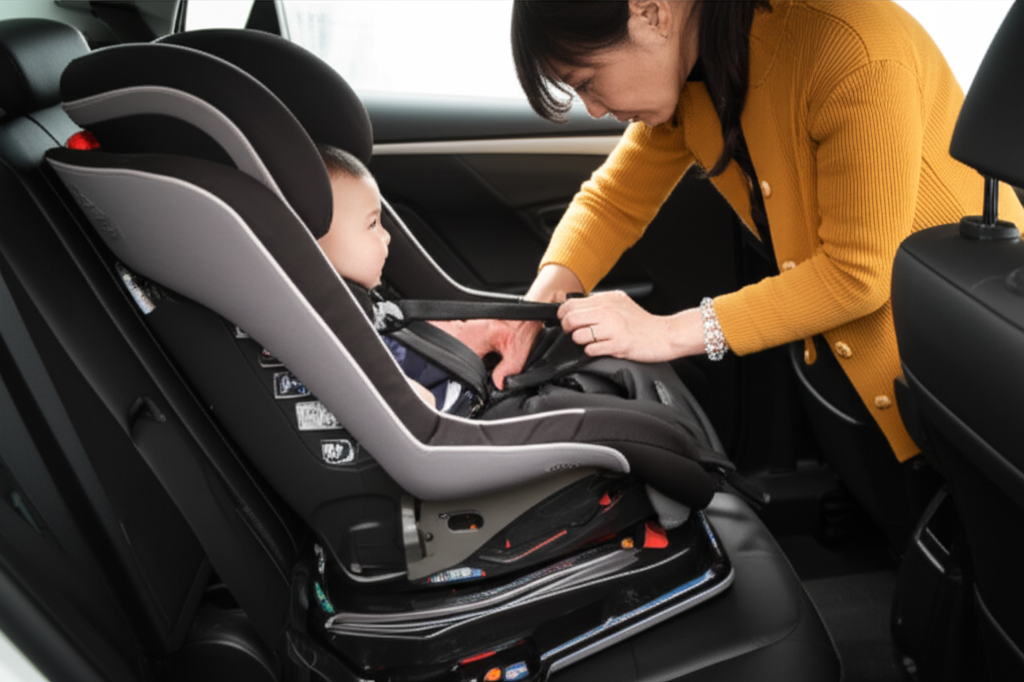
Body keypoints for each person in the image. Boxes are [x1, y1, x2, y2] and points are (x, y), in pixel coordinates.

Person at [456, 0, 1024, 467]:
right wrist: (527, 315)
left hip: (958, 366)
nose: (594, 109)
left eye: (588, 81)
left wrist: (668, 332)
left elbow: (859, 276)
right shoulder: (699, 69)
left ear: (651, 12)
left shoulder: (852, 50)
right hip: (860, 374)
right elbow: (613, 201)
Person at [315, 144, 475, 414]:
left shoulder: (356, 305)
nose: (386, 236)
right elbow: (418, 407)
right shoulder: (336, 325)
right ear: (313, 242)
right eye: (372, 224)